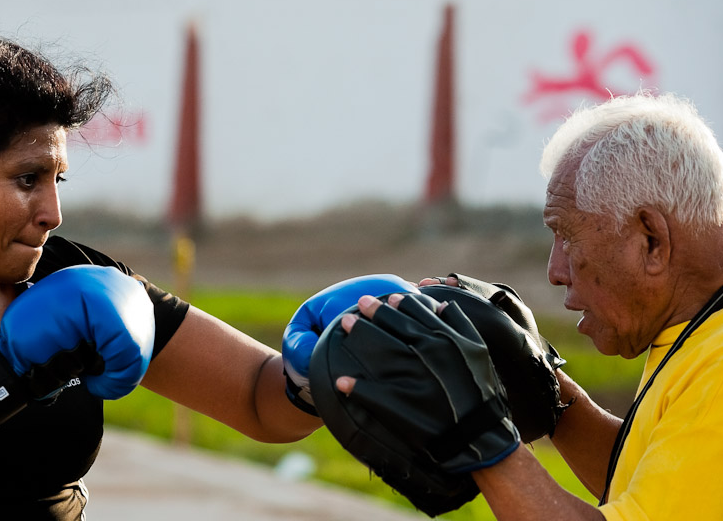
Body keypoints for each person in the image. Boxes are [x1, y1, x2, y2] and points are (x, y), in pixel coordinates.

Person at [0, 37, 322, 520]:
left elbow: (258, 396)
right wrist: (4, 372)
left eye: (56, 180)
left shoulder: (72, 279)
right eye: (27, 180)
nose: (53, 213)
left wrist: (323, 367)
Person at [293, 92, 723, 520]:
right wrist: (539, 382)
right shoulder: (699, 333)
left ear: (651, 241)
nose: (555, 271)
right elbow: (651, 485)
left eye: (567, 236)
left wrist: (480, 433)